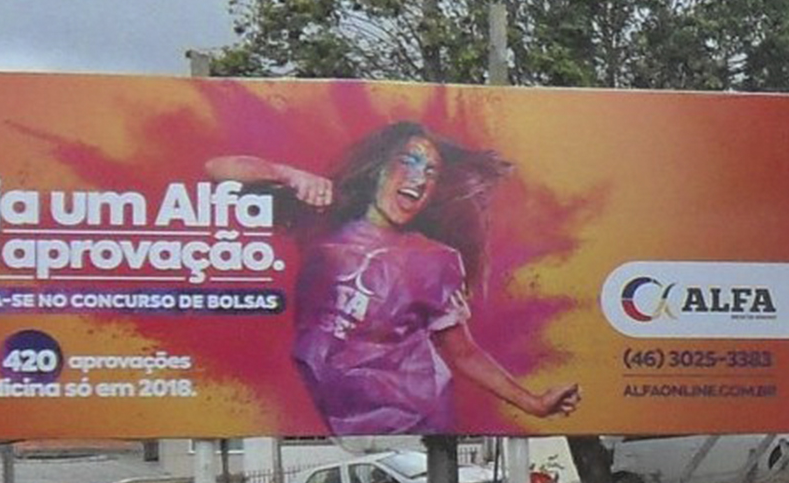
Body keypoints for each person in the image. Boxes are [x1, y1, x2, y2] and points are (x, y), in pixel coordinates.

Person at [208, 122, 579, 436]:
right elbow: (216, 169)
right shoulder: (323, 216)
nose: (419, 178)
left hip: (410, 419)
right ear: (378, 168)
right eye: (409, 161)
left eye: (431, 172)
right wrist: (285, 174)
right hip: (333, 417)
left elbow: (463, 353)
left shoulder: (436, 260)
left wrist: (534, 403)